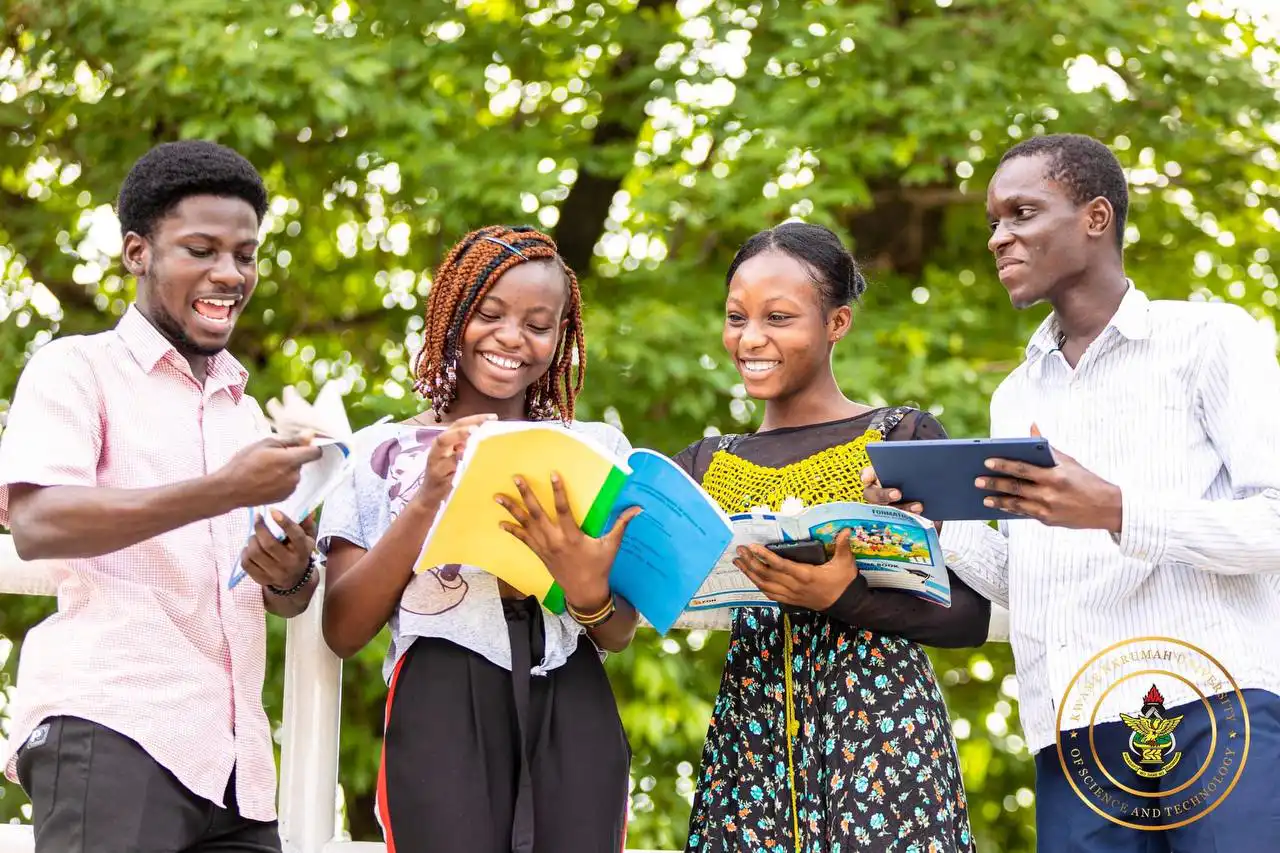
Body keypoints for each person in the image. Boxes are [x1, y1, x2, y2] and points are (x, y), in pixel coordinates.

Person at [882, 133, 1280, 852]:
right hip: (1074, 735)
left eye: (1022, 213)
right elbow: (1029, 580)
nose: (1000, 238)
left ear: (1096, 217)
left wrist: (1117, 509)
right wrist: (933, 525)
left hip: (1217, 711)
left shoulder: (1210, 339)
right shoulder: (1014, 397)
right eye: (993, 223)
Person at [0, 140, 323, 853]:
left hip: (237, 770)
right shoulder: (75, 369)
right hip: (117, 730)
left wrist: (291, 572)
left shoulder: (246, 413)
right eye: (201, 249)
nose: (229, 273)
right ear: (137, 253)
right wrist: (220, 490)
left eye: (246, 253)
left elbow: (280, 597)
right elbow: (37, 521)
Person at [318, 225, 640, 853]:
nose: (512, 337)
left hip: (571, 693)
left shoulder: (596, 450)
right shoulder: (377, 454)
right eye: (489, 313)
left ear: (560, 338)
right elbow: (343, 628)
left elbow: (618, 633)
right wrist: (430, 496)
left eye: (539, 324)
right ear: (452, 312)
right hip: (442, 692)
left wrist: (582, 582)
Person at [672, 222, 991, 853]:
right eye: (737, 317)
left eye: (779, 317)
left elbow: (971, 615)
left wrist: (845, 596)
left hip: (884, 746)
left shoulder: (903, 439)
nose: (751, 338)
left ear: (837, 323)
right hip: (752, 749)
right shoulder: (702, 466)